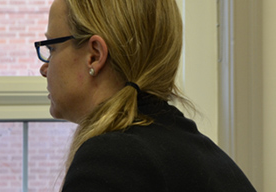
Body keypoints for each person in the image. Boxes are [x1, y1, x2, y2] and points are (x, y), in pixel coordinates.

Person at [35, 0, 256, 191]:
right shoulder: (205, 156)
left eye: (51, 48)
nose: (43, 69)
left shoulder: (113, 159)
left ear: (95, 55)